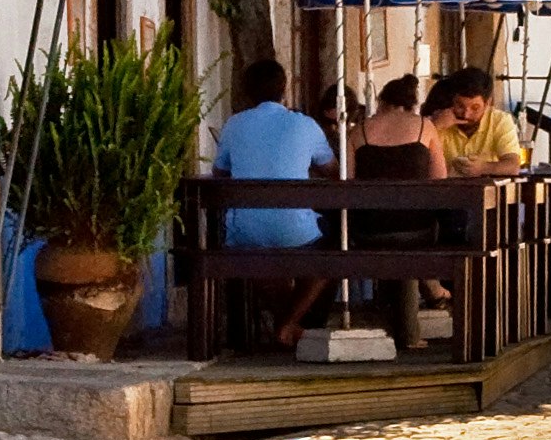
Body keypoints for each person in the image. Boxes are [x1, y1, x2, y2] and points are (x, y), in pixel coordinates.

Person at [209, 55, 337, 348]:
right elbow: (333, 172)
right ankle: (292, 323)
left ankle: (286, 324)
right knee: (331, 257)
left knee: (261, 260)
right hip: (294, 231)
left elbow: (219, 172)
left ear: (247, 92)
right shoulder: (304, 125)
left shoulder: (233, 124)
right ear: (285, 88)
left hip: (245, 232)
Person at [353, 70, 453, 349]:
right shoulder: (425, 127)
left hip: (368, 229)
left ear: (381, 101)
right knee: (414, 234)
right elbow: (440, 179)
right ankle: (412, 327)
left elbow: (347, 180)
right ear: (412, 104)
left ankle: (400, 324)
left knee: (393, 231)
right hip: (416, 228)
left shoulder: (358, 130)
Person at [427, 67, 529, 177]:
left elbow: (513, 166)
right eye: (460, 106)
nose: (466, 114)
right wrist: (434, 126)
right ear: (452, 101)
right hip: (444, 190)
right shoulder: (439, 120)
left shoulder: (499, 120)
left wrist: (483, 168)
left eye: (475, 108)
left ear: (488, 103)